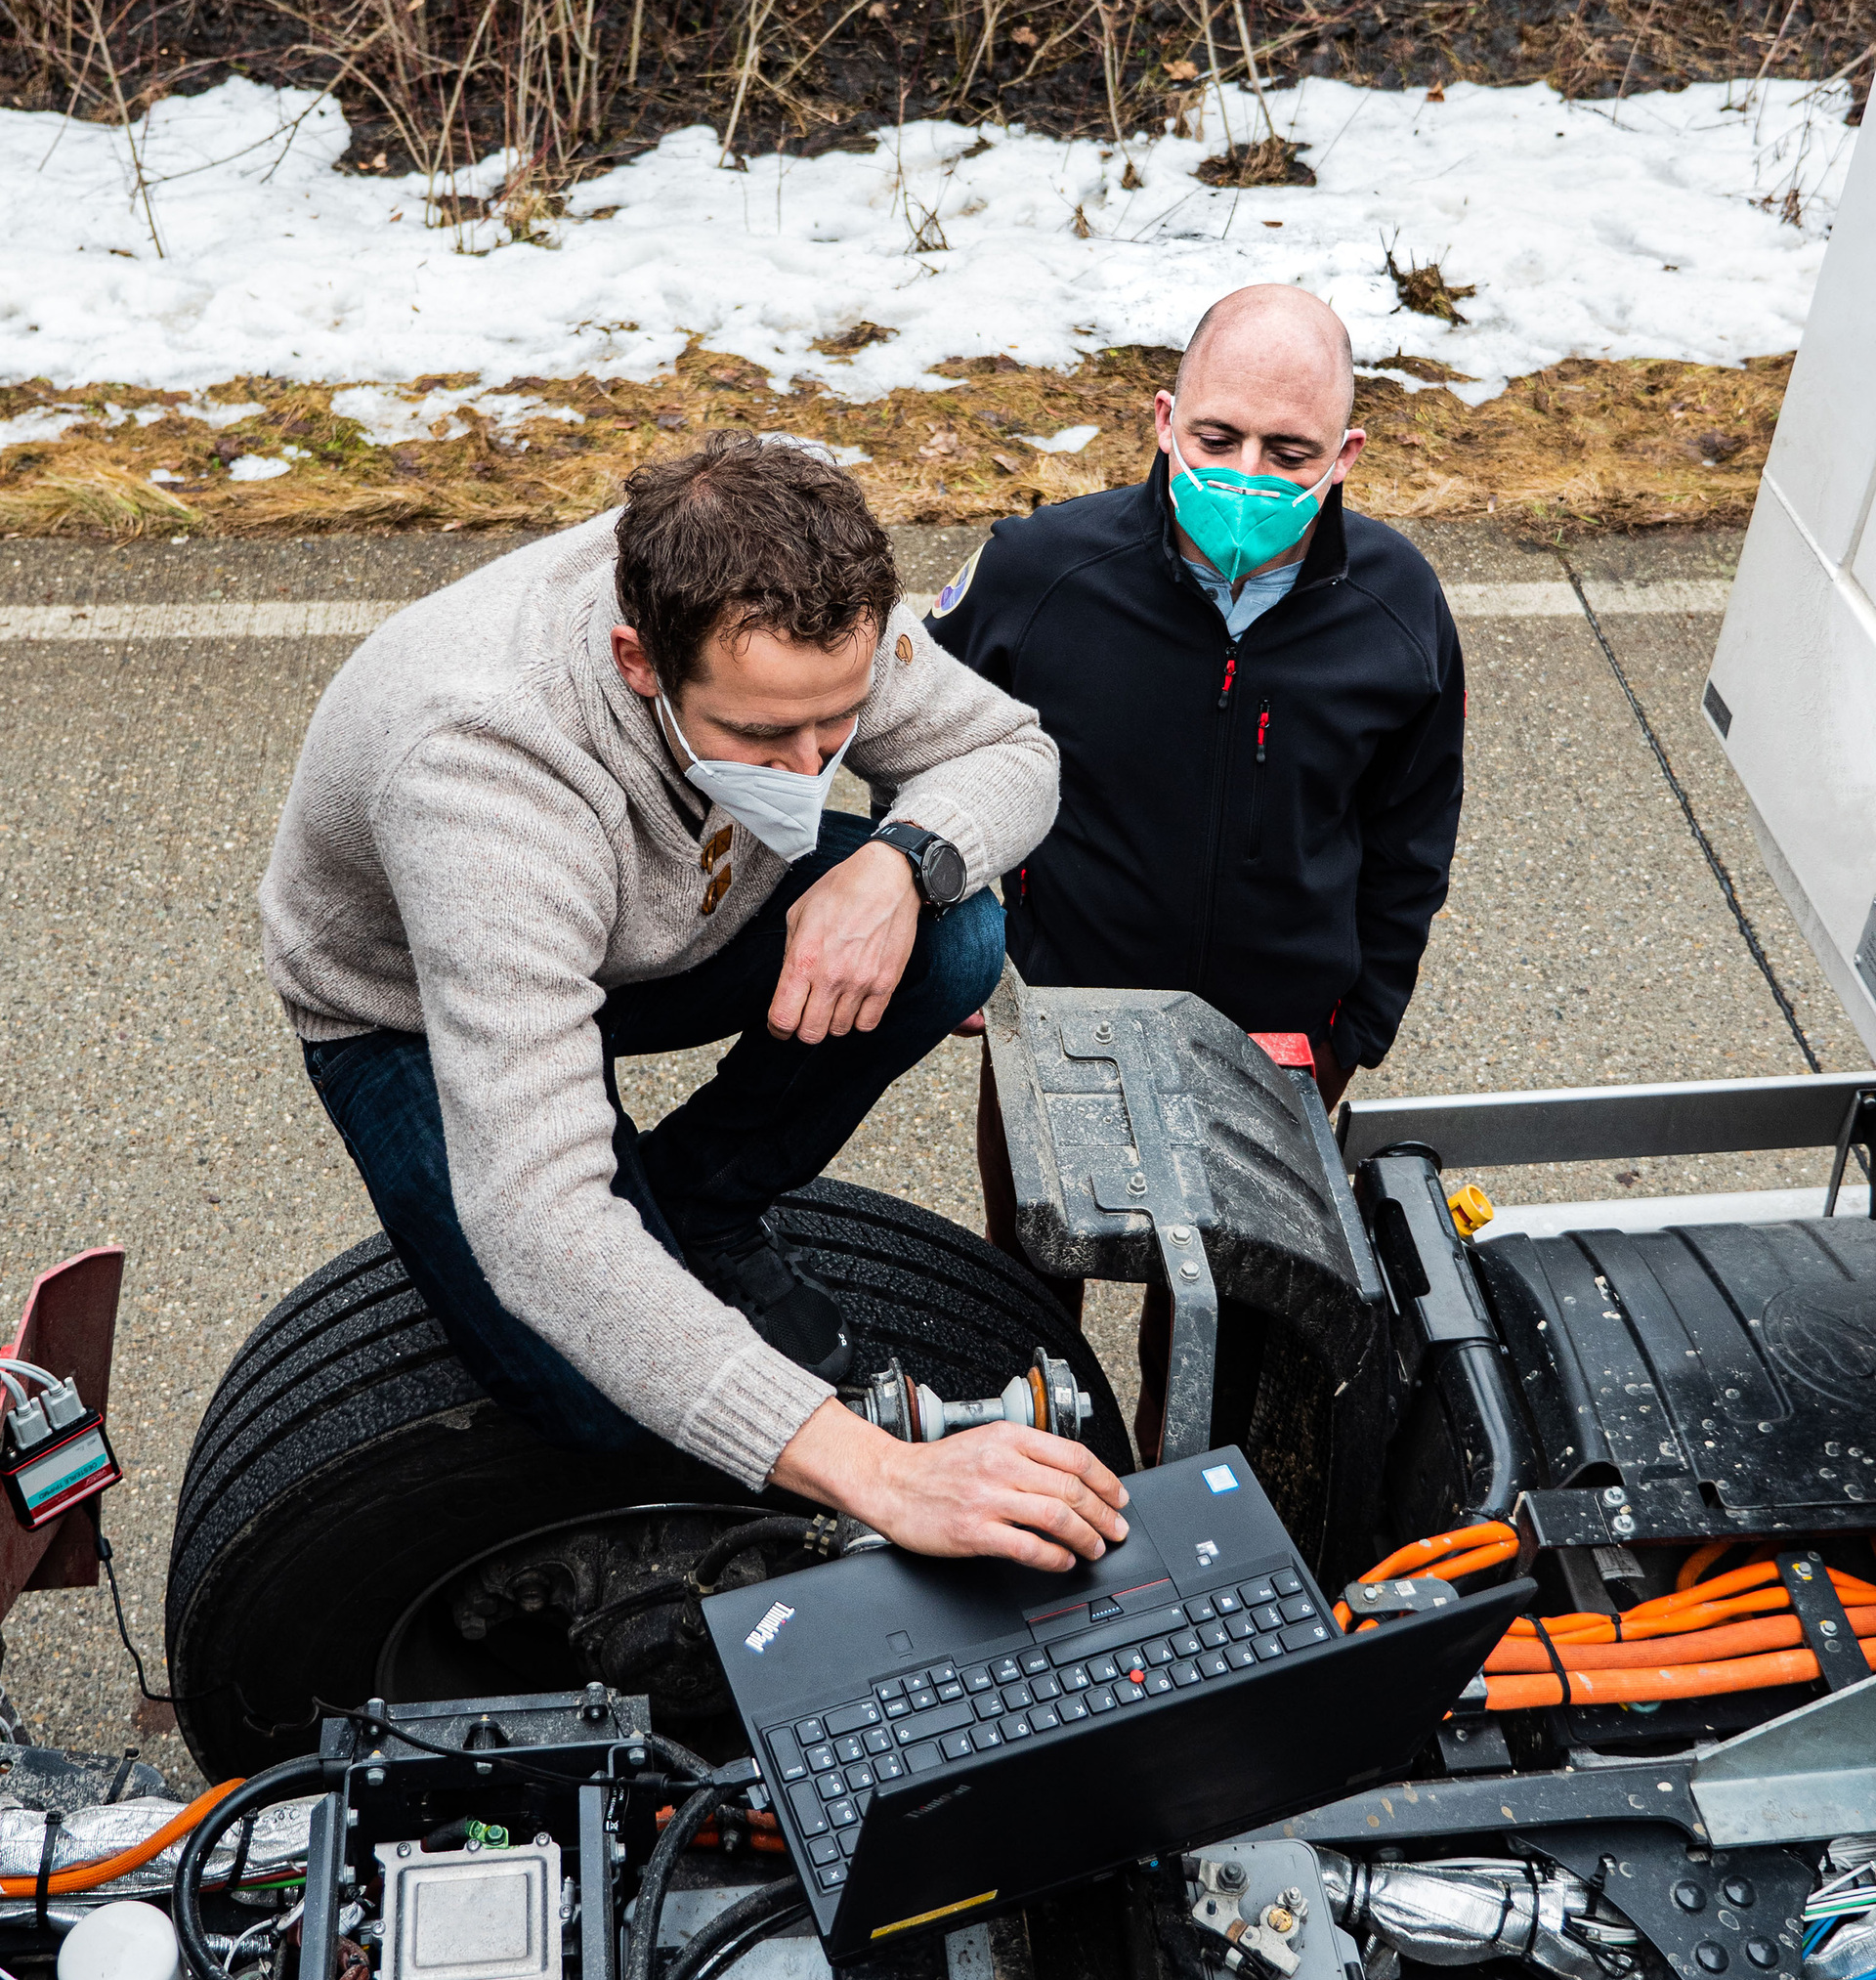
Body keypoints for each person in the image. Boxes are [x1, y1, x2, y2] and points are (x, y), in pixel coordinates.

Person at [260, 436, 1130, 1571]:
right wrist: (883, 1474)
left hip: (653, 923)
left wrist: (899, 863)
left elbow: (1011, 750)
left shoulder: (801, 600)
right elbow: (541, 1217)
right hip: (416, 1004)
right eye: (763, 737)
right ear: (637, 659)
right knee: (592, 1402)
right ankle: (653, 1242)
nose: (816, 765)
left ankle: (698, 1203)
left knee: (958, 927)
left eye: (842, 722)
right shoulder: (479, 767)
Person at [926, 283, 1465, 1454]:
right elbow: (917, 738)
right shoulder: (1035, 569)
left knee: (1222, 1340)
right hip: (1063, 1018)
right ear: (1164, 420)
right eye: (1218, 440)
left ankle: (1186, 1531)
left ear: (1347, 452)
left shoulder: (1401, 605)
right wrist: (948, 927)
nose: (1245, 476)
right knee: (1027, 1304)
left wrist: (1354, 1030)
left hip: (1272, 1049)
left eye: (1289, 452)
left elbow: (1413, 840)